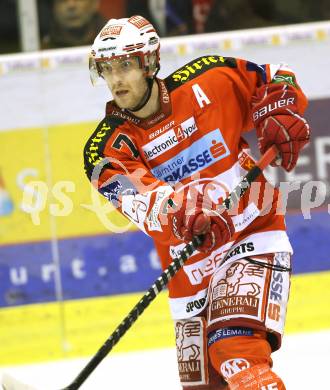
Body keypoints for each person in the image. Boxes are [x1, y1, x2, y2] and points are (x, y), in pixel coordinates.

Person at [84, 16, 310, 389]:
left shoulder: (211, 79)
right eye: (106, 69)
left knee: (236, 354)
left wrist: (280, 109)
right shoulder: (105, 150)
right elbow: (144, 203)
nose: (116, 79)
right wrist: (183, 213)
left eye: (125, 65)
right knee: (205, 384)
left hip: (251, 233)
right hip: (189, 268)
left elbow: (277, 76)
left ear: (150, 63)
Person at [41, 0, 106, 49]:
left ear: (94, 3)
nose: (71, 5)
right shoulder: (41, 49)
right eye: (62, 0)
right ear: (53, 7)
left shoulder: (113, 41)